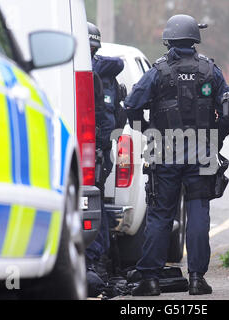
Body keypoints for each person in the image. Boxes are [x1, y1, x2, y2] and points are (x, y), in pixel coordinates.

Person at [124, 14, 229, 296]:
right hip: (202, 155)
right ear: (194, 38)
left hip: (164, 153)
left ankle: (150, 280)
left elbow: (132, 106)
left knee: (160, 216)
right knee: (198, 216)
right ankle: (197, 279)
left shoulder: (157, 71)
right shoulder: (211, 71)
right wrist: (215, 139)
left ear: (169, 39)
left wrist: (148, 132)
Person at [85, 22, 127, 294]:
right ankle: (98, 266)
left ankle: (95, 266)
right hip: (101, 150)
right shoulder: (105, 72)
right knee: (94, 204)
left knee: (90, 206)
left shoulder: (90, 72)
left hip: (94, 152)